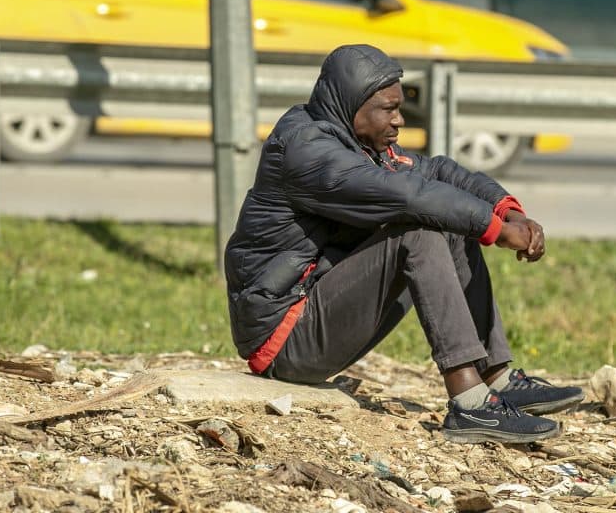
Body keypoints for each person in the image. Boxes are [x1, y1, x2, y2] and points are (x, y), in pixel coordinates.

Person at [224, 44, 584, 443]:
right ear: (352, 102)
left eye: (399, 108)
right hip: (284, 338)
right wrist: (497, 232)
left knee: (447, 221)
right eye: (388, 109)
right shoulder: (307, 151)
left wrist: (508, 210)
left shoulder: (356, 140)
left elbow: (439, 172)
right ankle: (470, 405)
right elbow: (410, 195)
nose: (398, 121)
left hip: (316, 311)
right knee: (417, 230)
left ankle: (495, 377)